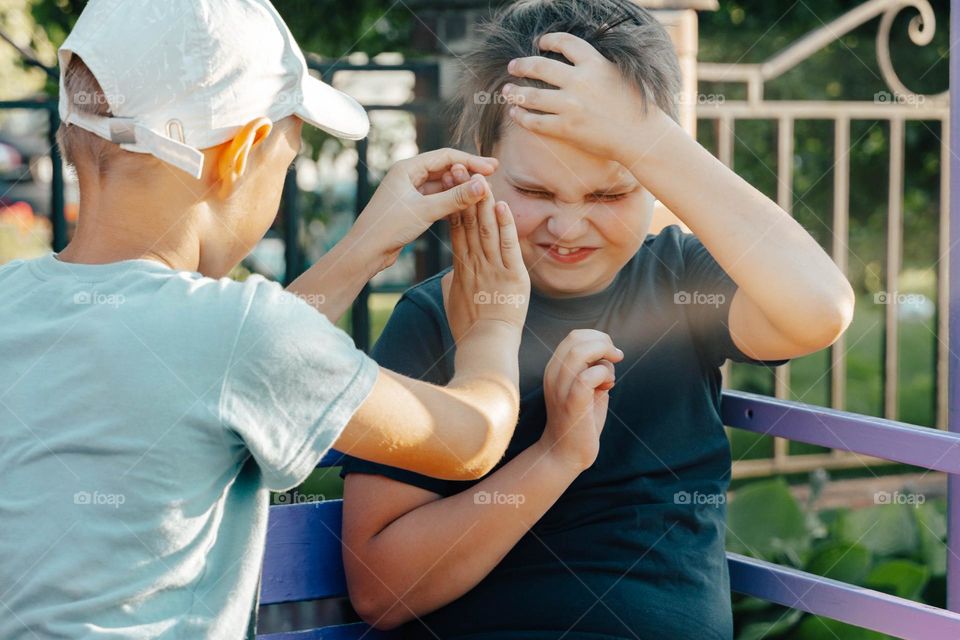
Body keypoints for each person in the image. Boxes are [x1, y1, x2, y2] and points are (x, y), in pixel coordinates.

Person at [0, 1, 531, 638]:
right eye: (286, 161)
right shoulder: (235, 333)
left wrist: (364, 248)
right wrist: (496, 321)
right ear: (242, 152)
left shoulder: (14, 298)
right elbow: (469, 440)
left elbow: (234, 362)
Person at [338, 1, 855, 638]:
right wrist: (554, 459)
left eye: (609, 194)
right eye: (534, 193)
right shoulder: (436, 317)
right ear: (481, 164)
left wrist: (648, 137)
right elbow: (381, 590)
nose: (568, 227)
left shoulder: (681, 283)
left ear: (653, 178)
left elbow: (820, 309)